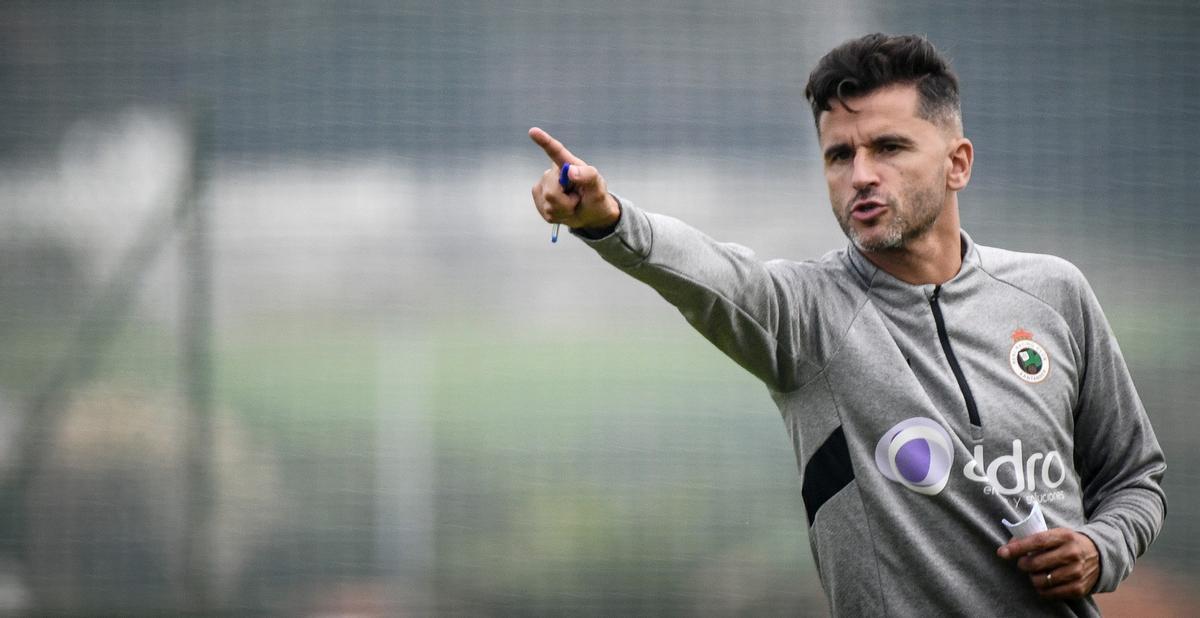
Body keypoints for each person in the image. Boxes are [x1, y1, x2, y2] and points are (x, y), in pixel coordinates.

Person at [527, 33, 1165, 616]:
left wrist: (1099, 547)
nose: (860, 175)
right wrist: (607, 218)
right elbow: (714, 275)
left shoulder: (1053, 293)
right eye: (839, 156)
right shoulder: (807, 319)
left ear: (957, 163)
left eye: (888, 147)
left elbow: (1135, 479)